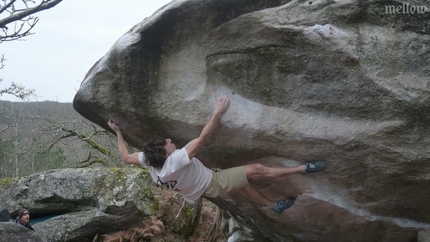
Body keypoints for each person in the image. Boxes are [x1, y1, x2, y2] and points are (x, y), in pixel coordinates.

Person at [107, 96, 327, 214]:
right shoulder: (176, 161)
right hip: (212, 183)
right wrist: (217, 113)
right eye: (168, 144)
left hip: (202, 189)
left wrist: (118, 132)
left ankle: (272, 206)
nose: (170, 141)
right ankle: (303, 168)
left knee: (242, 184)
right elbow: (203, 138)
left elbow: (126, 157)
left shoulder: (150, 159)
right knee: (258, 170)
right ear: (167, 156)